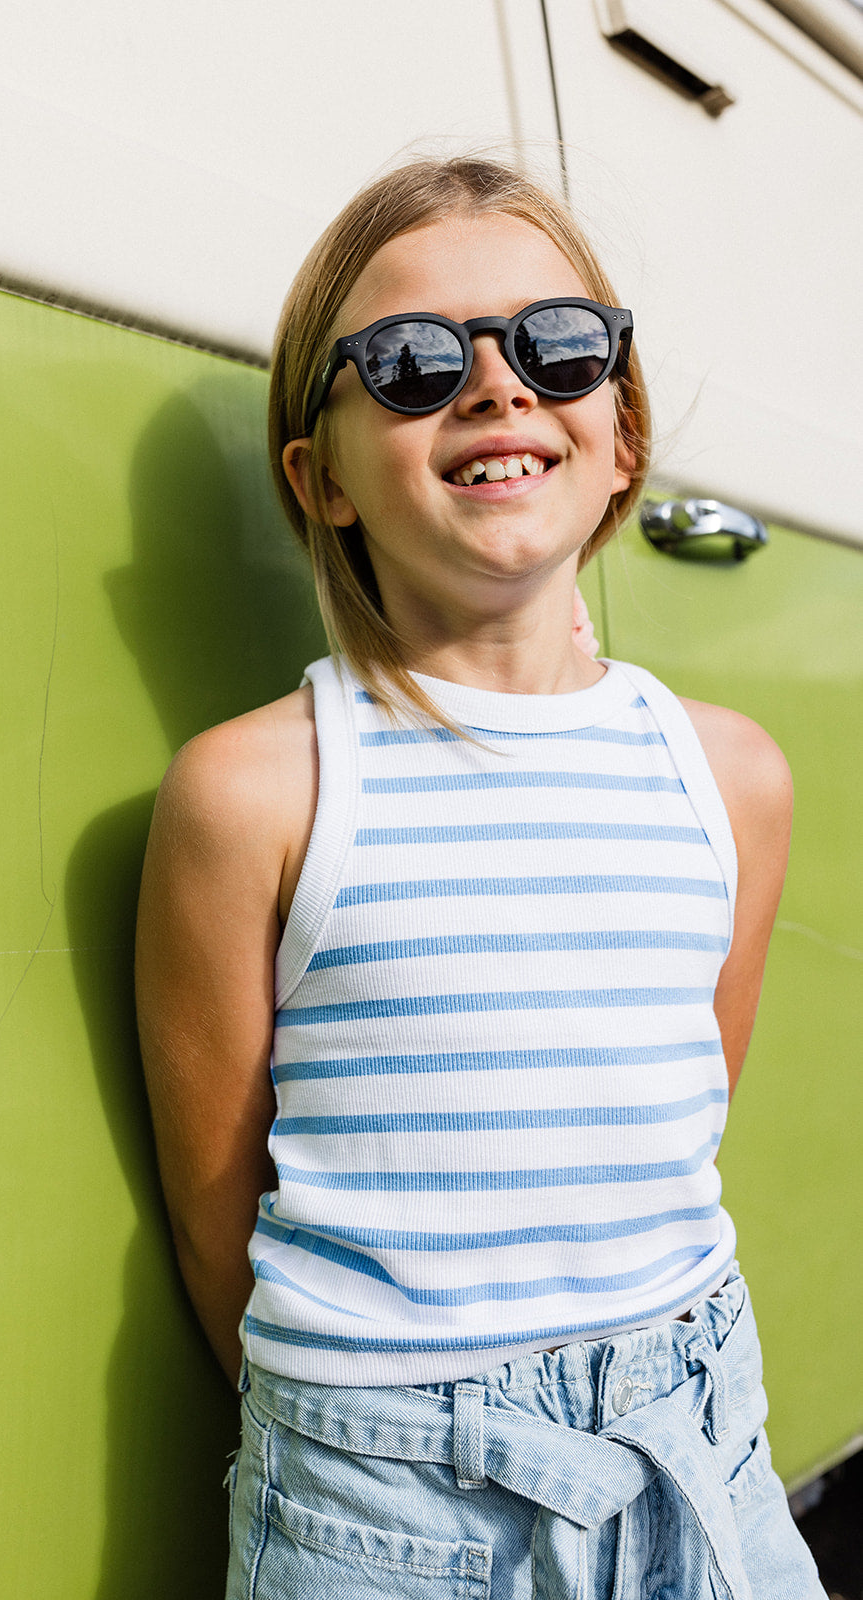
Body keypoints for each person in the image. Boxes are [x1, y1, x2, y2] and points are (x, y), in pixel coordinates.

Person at [135, 156, 823, 1598]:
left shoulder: (731, 776)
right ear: (320, 478)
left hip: (701, 1440)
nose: (499, 385)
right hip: (382, 1501)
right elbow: (218, 1215)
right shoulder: (257, 793)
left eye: (558, 345)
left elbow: (680, 1114)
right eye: (412, 362)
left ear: (620, 436)